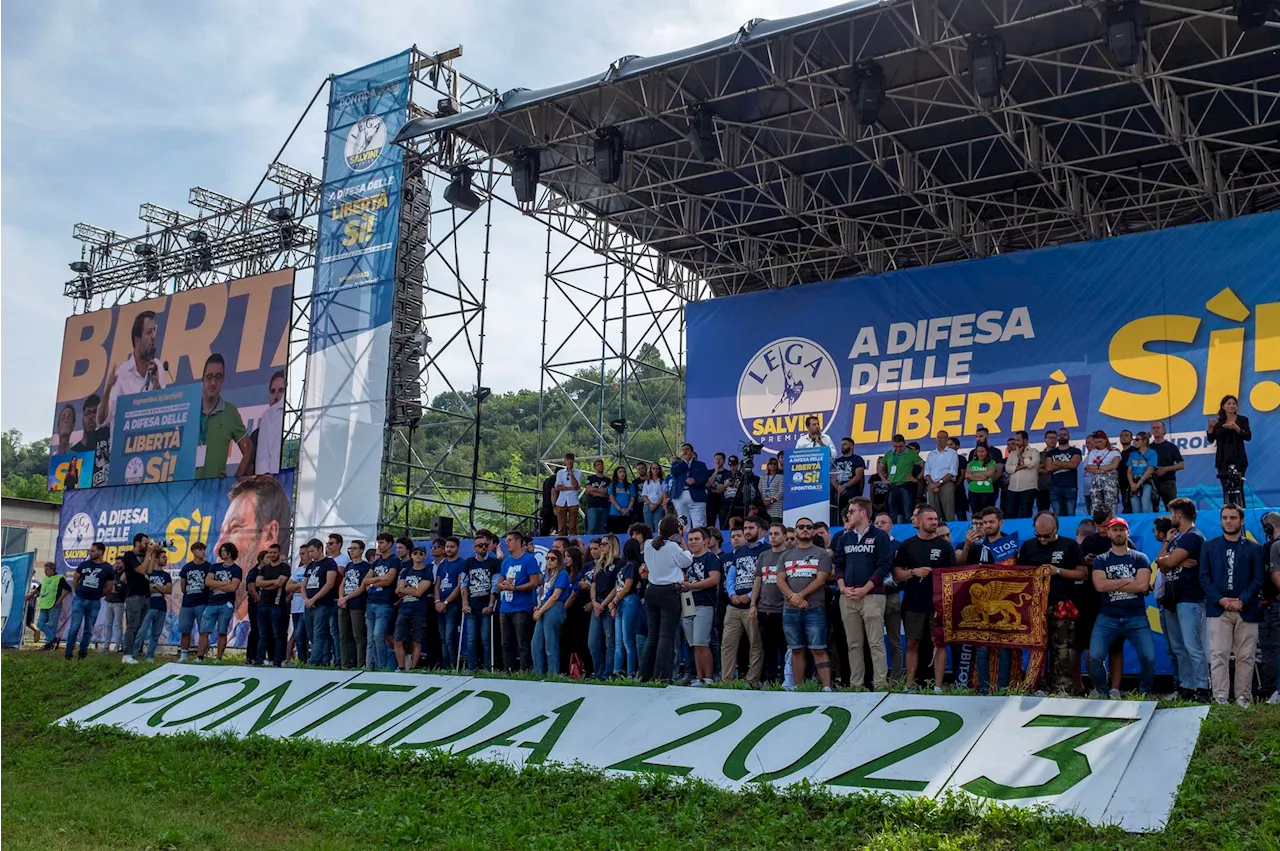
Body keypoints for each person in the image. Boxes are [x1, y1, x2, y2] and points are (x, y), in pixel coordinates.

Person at [1201, 504, 1264, 705]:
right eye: (1225, 518)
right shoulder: (1209, 546)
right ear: (1221, 520)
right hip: (1218, 609)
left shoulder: (1254, 548)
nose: (1228, 521)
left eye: (1233, 518)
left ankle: (1243, 697)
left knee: (1246, 656)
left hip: (1247, 609)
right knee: (1218, 654)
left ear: (1241, 520)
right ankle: (1220, 697)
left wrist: (1241, 600)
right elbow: (1204, 577)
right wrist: (1220, 599)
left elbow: (1258, 579)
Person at [1018, 511, 1086, 694]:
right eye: (1038, 535)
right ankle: (1037, 686)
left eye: (1046, 536)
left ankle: (1062, 689)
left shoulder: (1069, 545)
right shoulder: (1027, 546)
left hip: (1061, 606)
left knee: (1062, 651)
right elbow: (1019, 576)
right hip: (1035, 607)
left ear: (1055, 528)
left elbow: (1082, 574)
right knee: (1037, 649)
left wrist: (1057, 571)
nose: (1042, 539)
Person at [1089, 517, 1156, 697]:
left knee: (1148, 658)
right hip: (1108, 616)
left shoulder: (1140, 558)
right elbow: (1100, 586)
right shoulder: (1101, 560)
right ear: (1108, 533)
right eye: (1115, 530)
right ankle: (1103, 692)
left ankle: (1144, 693)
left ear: (1128, 532)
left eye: (1122, 530)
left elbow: (1142, 586)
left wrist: (1112, 582)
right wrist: (1128, 581)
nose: (1118, 533)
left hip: (1136, 617)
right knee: (1095, 657)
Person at [958, 506, 1020, 692]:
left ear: (1000, 523)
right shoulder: (977, 546)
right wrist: (967, 546)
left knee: (1003, 648)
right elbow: (960, 567)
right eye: (984, 523)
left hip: (1002, 601)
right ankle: (983, 689)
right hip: (981, 605)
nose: (987, 526)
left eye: (991, 522)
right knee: (983, 648)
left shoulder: (1011, 544)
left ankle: (1002, 689)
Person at [893, 506, 954, 691]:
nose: (934, 522)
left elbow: (952, 576)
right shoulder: (907, 545)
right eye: (930, 519)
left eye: (936, 519)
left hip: (938, 604)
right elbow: (896, 574)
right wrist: (913, 572)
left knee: (939, 643)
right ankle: (909, 684)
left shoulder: (944, 546)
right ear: (919, 522)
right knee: (912, 642)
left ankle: (938, 686)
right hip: (914, 602)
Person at [834, 497, 893, 690]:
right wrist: (842, 588)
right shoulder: (845, 537)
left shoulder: (879, 536)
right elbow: (839, 565)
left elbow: (884, 565)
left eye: (852, 511)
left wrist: (866, 588)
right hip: (848, 596)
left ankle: (880, 685)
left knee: (875, 642)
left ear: (863, 513)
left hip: (872, 596)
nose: (848, 514)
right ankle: (856, 684)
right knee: (853, 644)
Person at [1156, 498, 1210, 701]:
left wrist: (1169, 561)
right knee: (1178, 647)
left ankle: (1203, 688)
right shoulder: (1177, 538)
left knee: (1192, 645)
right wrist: (1168, 544)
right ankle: (1187, 686)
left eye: (1171, 514)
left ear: (1179, 515)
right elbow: (1159, 563)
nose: (1170, 518)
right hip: (1173, 597)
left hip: (1190, 597)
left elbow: (1168, 563)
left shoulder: (1193, 537)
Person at [776, 516, 835, 691]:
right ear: (795, 530)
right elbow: (780, 581)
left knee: (818, 648)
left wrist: (799, 596)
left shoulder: (822, 554)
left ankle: (826, 687)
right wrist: (794, 598)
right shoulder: (786, 555)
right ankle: (798, 687)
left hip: (814, 609)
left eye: (808, 527)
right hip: (790, 609)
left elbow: (821, 580)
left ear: (812, 531)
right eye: (801, 527)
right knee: (796, 649)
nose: (805, 529)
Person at [103, 309, 165, 442]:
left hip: (151, 450)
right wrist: (108, 389)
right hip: (123, 454)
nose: (153, 337)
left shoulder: (158, 366)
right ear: (137, 340)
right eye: (149, 332)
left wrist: (157, 385)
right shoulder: (121, 373)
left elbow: (163, 413)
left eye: (154, 331)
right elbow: (103, 420)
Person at [721, 516, 767, 685]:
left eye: (750, 528)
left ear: (761, 531)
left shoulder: (766, 551)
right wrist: (732, 594)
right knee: (727, 644)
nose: (747, 531)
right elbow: (731, 576)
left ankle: (751, 680)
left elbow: (762, 579)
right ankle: (726, 680)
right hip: (733, 606)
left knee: (755, 645)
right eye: (745, 528)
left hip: (753, 605)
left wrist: (748, 596)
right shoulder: (739, 551)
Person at [194, 353, 251, 479]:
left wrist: (232, 482)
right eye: (209, 377)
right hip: (185, 490)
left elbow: (248, 450)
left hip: (214, 494)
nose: (213, 383)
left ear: (223, 380)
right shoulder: (190, 410)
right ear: (202, 380)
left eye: (218, 377)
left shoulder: (230, 412)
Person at [681, 527, 721, 686]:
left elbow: (714, 579)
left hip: (704, 604)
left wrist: (691, 586)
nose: (693, 542)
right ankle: (699, 677)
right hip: (688, 604)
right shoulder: (688, 559)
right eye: (690, 539)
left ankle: (709, 677)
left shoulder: (710, 558)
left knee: (702, 642)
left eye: (696, 539)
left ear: (705, 541)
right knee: (694, 645)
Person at [751, 521, 789, 685]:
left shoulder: (790, 555)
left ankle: (788, 680)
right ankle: (770, 680)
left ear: (785, 536)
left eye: (776, 534)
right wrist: (753, 604)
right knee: (769, 649)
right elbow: (757, 581)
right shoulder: (763, 556)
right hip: (765, 609)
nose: (772, 537)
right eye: (771, 534)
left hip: (785, 609)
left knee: (787, 648)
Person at [498, 531, 542, 672]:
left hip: (522, 607)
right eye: (506, 541)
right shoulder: (506, 561)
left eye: (510, 540)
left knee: (523, 641)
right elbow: (499, 581)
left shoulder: (528, 559)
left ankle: (524, 671)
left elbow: (534, 582)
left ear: (518, 542)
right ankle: (508, 670)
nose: (507, 543)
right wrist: (503, 585)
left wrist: (515, 587)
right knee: (506, 642)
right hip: (505, 607)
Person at [65, 543, 115, 660]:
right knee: (74, 626)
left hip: (94, 602)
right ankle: (68, 653)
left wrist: (98, 594)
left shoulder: (107, 568)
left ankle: (83, 653)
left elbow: (109, 587)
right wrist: (78, 591)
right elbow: (75, 579)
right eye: (90, 551)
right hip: (79, 599)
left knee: (88, 629)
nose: (90, 553)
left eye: (93, 551)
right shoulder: (84, 564)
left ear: (101, 552)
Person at [461, 530, 500, 670]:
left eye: (485, 545)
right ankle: (472, 667)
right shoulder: (469, 562)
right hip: (471, 605)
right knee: (471, 639)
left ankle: (488, 667)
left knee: (486, 639)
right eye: (479, 545)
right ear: (474, 548)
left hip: (486, 606)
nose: (483, 547)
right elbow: (464, 584)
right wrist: (465, 604)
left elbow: (495, 585)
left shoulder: (494, 562)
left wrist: (490, 604)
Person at [361, 533, 400, 671]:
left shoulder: (394, 560)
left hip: (384, 603)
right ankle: (369, 666)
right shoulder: (377, 562)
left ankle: (381, 666)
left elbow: (389, 581)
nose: (379, 545)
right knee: (370, 638)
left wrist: (373, 582)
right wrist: (379, 579)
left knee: (378, 635)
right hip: (371, 602)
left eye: (382, 542)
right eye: (378, 542)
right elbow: (365, 581)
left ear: (390, 544)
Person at [236, 370, 286, 476]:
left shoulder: (295, 426)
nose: (276, 396)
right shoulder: (256, 435)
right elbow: (250, 472)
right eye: (272, 391)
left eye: (281, 390)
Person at [199, 542, 243, 662]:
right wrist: (224, 583)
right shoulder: (215, 567)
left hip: (226, 604)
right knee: (204, 631)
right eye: (221, 550)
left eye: (224, 550)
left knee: (222, 632)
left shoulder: (236, 569)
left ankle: (218, 658)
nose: (222, 552)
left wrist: (216, 585)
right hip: (212, 603)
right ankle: (200, 657)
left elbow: (233, 587)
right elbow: (208, 582)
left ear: (230, 552)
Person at [299, 538, 339, 666]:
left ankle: (314, 661)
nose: (310, 554)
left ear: (320, 549)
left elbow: (329, 583)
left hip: (323, 604)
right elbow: (303, 584)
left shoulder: (329, 563)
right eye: (308, 552)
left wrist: (314, 599)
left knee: (319, 634)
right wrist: (306, 599)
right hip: (309, 604)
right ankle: (322, 660)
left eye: (312, 551)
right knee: (311, 635)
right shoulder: (310, 565)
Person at [393, 544, 433, 671]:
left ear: (425, 556)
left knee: (417, 640)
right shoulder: (406, 571)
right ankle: (401, 666)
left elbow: (419, 592)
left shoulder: (427, 571)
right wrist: (413, 589)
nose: (418, 556)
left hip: (419, 609)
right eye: (415, 553)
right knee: (398, 639)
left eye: (421, 554)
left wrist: (406, 590)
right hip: (404, 608)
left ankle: (413, 668)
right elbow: (398, 590)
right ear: (411, 555)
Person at [531, 549, 571, 675]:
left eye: (553, 558)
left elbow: (555, 596)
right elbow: (543, 594)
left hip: (554, 608)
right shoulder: (548, 575)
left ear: (559, 561)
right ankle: (539, 673)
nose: (549, 561)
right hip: (544, 607)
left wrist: (540, 611)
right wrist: (538, 607)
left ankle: (553, 674)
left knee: (551, 644)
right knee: (536, 643)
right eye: (547, 558)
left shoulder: (562, 574)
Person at [1207, 394, 1251, 506]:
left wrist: (1236, 428)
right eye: (1229, 403)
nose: (1232, 406)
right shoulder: (1218, 422)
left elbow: (1248, 436)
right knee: (1226, 488)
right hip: (1223, 459)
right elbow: (1211, 439)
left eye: (1234, 404)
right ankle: (1228, 513)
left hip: (1239, 458)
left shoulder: (1243, 420)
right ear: (1223, 406)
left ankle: (1242, 512)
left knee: (1239, 487)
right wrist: (1210, 428)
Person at [131, 544, 172, 663]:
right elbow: (146, 588)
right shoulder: (149, 573)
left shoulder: (166, 575)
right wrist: (160, 587)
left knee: (156, 634)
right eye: (163, 557)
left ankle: (150, 656)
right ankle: (133, 655)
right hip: (149, 606)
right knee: (142, 631)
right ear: (157, 558)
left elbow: (169, 590)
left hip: (161, 607)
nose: (166, 559)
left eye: (166, 557)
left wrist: (154, 586)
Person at [612, 535, 645, 677]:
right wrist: (614, 602)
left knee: (628, 640)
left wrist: (613, 601)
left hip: (630, 600)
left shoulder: (632, 565)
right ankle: (617, 670)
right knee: (619, 641)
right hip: (621, 601)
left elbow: (627, 587)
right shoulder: (624, 565)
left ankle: (631, 671)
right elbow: (618, 585)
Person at [588, 535, 620, 679]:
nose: (602, 547)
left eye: (605, 544)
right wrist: (594, 602)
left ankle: (608, 673)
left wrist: (604, 604)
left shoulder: (619, 563)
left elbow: (617, 586)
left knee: (609, 640)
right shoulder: (599, 564)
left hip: (609, 603)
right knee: (593, 641)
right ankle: (599, 672)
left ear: (612, 545)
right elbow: (593, 584)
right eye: (601, 544)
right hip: (598, 602)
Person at [335, 539, 369, 669]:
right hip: (344, 604)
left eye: (354, 548)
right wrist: (340, 598)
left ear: (361, 550)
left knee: (358, 635)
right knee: (343, 635)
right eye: (350, 549)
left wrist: (346, 598)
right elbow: (342, 583)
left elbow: (362, 587)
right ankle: (345, 664)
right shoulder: (349, 566)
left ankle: (360, 663)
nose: (352, 551)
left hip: (357, 604)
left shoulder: (365, 566)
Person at [255, 544, 290, 667]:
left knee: (278, 635)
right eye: (270, 552)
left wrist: (267, 584)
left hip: (276, 605)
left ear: (279, 553)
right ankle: (259, 660)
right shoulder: (264, 568)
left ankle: (277, 661)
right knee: (263, 634)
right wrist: (272, 582)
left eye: (274, 552)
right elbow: (258, 583)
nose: (271, 555)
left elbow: (279, 584)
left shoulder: (285, 567)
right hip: (263, 604)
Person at [119, 532, 151, 664]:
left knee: (139, 627)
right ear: (137, 543)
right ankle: (126, 654)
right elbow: (141, 570)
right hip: (134, 596)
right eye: (145, 543)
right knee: (132, 626)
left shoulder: (145, 556)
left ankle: (133, 654)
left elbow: (149, 571)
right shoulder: (129, 555)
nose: (147, 546)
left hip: (145, 595)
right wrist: (149, 554)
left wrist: (152, 554)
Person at [177, 542, 210, 663]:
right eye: (200, 550)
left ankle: (200, 657)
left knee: (203, 630)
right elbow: (182, 586)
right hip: (187, 604)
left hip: (202, 603)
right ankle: (184, 655)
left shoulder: (208, 567)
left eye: (204, 550)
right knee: (185, 630)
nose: (203, 552)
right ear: (194, 551)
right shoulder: (187, 567)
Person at [434, 537, 465, 668]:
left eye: (452, 547)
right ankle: (445, 666)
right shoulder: (442, 564)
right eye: (447, 547)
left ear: (458, 548)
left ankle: (453, 666)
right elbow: (437, 585)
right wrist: (437, 602)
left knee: (449, 637)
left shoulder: (462, 563)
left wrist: (445, 602)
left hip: (452, 605)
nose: (449, 549)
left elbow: (459, 586)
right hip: (439, 605)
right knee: (442, 638)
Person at [70, 393, 110, 487]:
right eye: (88, 413)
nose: (91, 417)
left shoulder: (109, 436)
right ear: (82, 418)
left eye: (95, 412)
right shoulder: (75, 451)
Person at [669, 443, 711, 529]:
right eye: (683, 449)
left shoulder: (700, 465)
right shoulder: (676, 464)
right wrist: (684, 461)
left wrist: (695, 481)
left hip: (696, 495)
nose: (685, 451)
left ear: (692, 452)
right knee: (683, 524)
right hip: (679, 495)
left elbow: (705, 477)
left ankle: (699, 540)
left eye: (687, 449)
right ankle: (685, 541)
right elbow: (674, 472)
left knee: (698, 523)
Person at [883, 435, 922, 525]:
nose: (898, 448)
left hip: (906, 485)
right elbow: (880, 466)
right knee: (892, 513)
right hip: (892, 486)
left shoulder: (911, 453)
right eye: (896, 446)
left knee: (908, 512)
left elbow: (924, 465)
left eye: (900, 446)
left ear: (904, 444)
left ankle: (910, 532)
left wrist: (917, 478)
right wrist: (884, 479)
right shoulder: (889, 454)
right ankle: (891, 533)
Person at [1083, 431, 1121, 518]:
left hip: (1110, 480)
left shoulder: (1114, 451)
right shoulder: (1093, 452)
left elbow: (1114, 465)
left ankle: (1111, 521)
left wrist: (1098, 468)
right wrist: (1105, 468)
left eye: (1100, 441)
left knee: (1110, 502)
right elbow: (1089, 468)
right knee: (1096, 504)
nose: (1098, 444)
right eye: (1096, 442)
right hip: (1096, 480)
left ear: (1105, 440)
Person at [1044, 428, 1081, 517]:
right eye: (1060, 435)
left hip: (1070, 486)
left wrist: (1056, 463)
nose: (1062, 436)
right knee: (1057, 514)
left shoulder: (1075, 451)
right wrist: (1067, 464)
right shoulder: (1050, 453)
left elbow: (1073, 465)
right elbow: (1048, 468)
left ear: (1069, 437)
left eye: (1064, 434)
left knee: (1070, 513)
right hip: (1055, 487)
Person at [923, 430, 959, 521]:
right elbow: (926, 471)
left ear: (946, 439)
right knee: (933, 512)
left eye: (942, 438)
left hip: (946, 484)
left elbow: (952, 471)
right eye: (938, 437)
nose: (940, 440)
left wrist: (939, 483)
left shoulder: (952, 453)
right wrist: (931, 484)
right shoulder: (931, 454)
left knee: (949, 512)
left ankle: (950, 532)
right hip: (932, 485)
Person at [829, 438, 866, 527]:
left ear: (852, 446)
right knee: (836, 511)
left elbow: (858, 476)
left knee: (852, 511)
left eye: (845, 444)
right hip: (838, 491)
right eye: (841, 445)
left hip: (851, 490)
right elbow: (832, 477)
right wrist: (838, 487)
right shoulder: (836, 461)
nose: (842, 447)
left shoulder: (857, 459)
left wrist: (844, 486)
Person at [1005, 430, 1041, 520]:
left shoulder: (1034, 452)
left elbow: (1031, 464)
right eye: (1015, 440)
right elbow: (1008, 469)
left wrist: (1020, 456)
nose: (1016, 443)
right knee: (1011, 514)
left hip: (1028, 488)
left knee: (1026, 513)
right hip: (1012, 488)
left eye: (1018, 440)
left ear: (1025, 441)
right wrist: (1022, 466)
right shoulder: (1012, 454)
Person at [1150, 421, 1185, 509]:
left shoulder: (1171, 447)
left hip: (1168, 482)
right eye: (1153, 428)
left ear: (1164, 430)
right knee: (1151, 509)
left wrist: (1166, 469)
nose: (1156, 430)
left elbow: (1181, 464)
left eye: (1158, 427)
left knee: (1172, 509)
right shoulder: (1148, 448)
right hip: (1151, 482)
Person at [35, 562, 67, 650]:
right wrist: (31, 595)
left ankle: (49, 644)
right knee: (40, 624)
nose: (45, 572)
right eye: (44, 570)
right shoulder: (45, 578)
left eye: (47, 570)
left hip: (54, 605)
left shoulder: (59, 578)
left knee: (52, 625)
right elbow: (39, 588)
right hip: (44, 604)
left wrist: (60, 600)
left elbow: (68, 589)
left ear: (53, 570)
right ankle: (53, 639)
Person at [286, 545, 309, 664]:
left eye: (304, 553)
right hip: (296, 607)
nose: (301, 556)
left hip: (306, 606)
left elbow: (311, 587)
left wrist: (298, 588)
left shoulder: (311, 569)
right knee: (298, 635)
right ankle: (302, 659)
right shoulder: (298, 570)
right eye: (300, 554)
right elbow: (288, 587)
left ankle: (303, 659)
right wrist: (302, 586)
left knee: (300, 633)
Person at [1125, 431, 1159, 513]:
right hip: (1134, 482)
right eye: (1134, 440)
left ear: (1144, 441)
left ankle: (1149, 525)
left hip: (1145, 481)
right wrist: (1132, 484)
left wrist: (1139, 483)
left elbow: (1150, 469)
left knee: (1146, 505)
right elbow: (1129, 470)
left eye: (1137, 440)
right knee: (1135, 509)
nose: (1135, 442)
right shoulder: (1133, 454)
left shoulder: (1152, 453)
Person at [101, 557, 127, 653]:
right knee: (108, 624)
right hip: (109, 600)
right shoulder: (112, 573)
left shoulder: (126, 573)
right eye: (116, 563)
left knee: (117, 625)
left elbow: (121, 588)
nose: (117, 565)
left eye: (119, 563)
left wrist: (116, 587)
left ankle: (117, 646)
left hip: (119, 602)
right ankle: (106, 645)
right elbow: (107, 585)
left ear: (123, 564)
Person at [553, 453, 582, 535]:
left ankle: (573, 543)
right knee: (561, 527)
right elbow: (557, 487)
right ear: (565, 460)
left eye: (571, 459)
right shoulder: (560, 472)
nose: (569, 461)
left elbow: (575, 485)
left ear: (573, 460)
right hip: (561, 501)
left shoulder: (578, 472)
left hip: (573, 501)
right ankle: (561, 542)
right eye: (567, 459)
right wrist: (569, 488)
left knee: (573, 526)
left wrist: (571, 473)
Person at [582, 457, 611, 536]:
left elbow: (607, 491)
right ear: (595, 467)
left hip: (604, 506)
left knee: (602, 528)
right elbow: (588, 489)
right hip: (592, 506)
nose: (600, 466)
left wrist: (594, 491)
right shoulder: (591, 478)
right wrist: (601, 493)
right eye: (598, 465)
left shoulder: (608, 480)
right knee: (591, 526)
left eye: (601, 465)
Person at [606, 466, 636, 535]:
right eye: (620, 472)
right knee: (614, 534)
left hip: (626, 514)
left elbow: (632, 498)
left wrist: (628, 509)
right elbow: (611, 498)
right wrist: (619, 509)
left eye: (624, 472)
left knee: (625, 533)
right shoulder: (612, 485)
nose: (623, 474)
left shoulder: (630, 485)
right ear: (616, 474)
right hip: (614, 513)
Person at [705, 453, 729, 530]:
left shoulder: (728, 473)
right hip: (711, 499)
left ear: (724, 461)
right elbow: (708, 484)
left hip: (722, 500)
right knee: (710, 522)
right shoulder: (709, 472)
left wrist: (718, 486)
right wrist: (715, 472)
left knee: (723, 522)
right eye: (716, 459)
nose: (718, 461)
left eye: (720, 459)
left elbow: (721, 489)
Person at [641, 463, 667, 530]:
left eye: (657, 468)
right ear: (650, 470)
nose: (655, 470)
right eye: (653, 468)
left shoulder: (663, 482)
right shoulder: (647, 482)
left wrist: (656, 504)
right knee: (648, 526)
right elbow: (644, 495)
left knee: (658, 525)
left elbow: (663, 494)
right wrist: (650, 504)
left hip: (659, 505)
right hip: (648, 505)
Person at [760, 457, 783, 522]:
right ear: (768, 465)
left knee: (774, 526)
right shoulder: (763, 478)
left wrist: (770, 501)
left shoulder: (780, 477)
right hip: (764, 507)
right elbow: (759, 491)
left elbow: (781, 492)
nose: (772, 465)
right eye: (770, 463)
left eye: (775, 464)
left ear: (777, 466)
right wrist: (764, 502)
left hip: (776, 507)